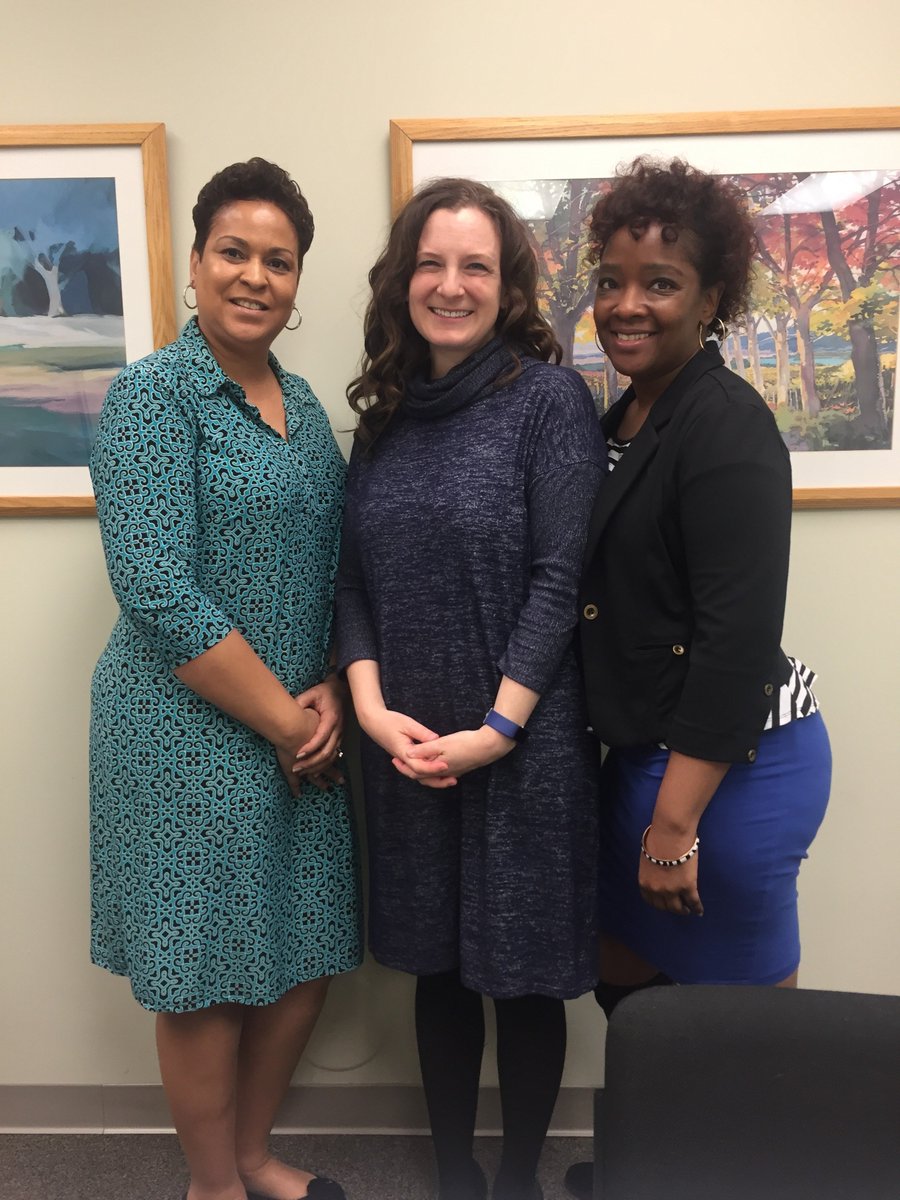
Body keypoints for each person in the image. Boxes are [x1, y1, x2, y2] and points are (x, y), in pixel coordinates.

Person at [89, 158, 362, 1200]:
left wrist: (330, 685)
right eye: (234, 252)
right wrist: (290, 725)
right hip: (183, 730)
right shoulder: (151, 396)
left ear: (297, 284)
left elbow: (336, 564)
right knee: (201, 973)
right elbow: (159, 591)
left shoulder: (298, 404)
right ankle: (212, 1185)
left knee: (304, 949)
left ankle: (253, 1157)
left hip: (303, 721)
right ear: (195, 264)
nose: (255, 275)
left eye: (278, 260)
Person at [565, 157, 832, 1200]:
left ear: (711, 299)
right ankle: (666, 1166)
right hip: (647, 757)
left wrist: (674, 824)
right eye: (613, 278)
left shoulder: (726, 428)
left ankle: (745, 1174)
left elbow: (732, 642)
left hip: (734, 771)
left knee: (744, 1027)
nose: (628, 304)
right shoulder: (631, 414)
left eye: (661, 283)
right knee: (622, 974)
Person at [333, 178, 604, 1200]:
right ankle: (455, 1176)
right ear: (404, 279)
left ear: (509, 285)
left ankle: (520, 1178)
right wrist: (366, 707)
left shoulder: (549, 400)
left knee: (523, 972)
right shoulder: (385, 417)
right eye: (432, 264)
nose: (451, 286)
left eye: (476, 266)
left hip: (522, 744)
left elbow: (558, 576)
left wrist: (497, 727)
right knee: (438, 967)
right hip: (406, 742)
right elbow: (352, 579)